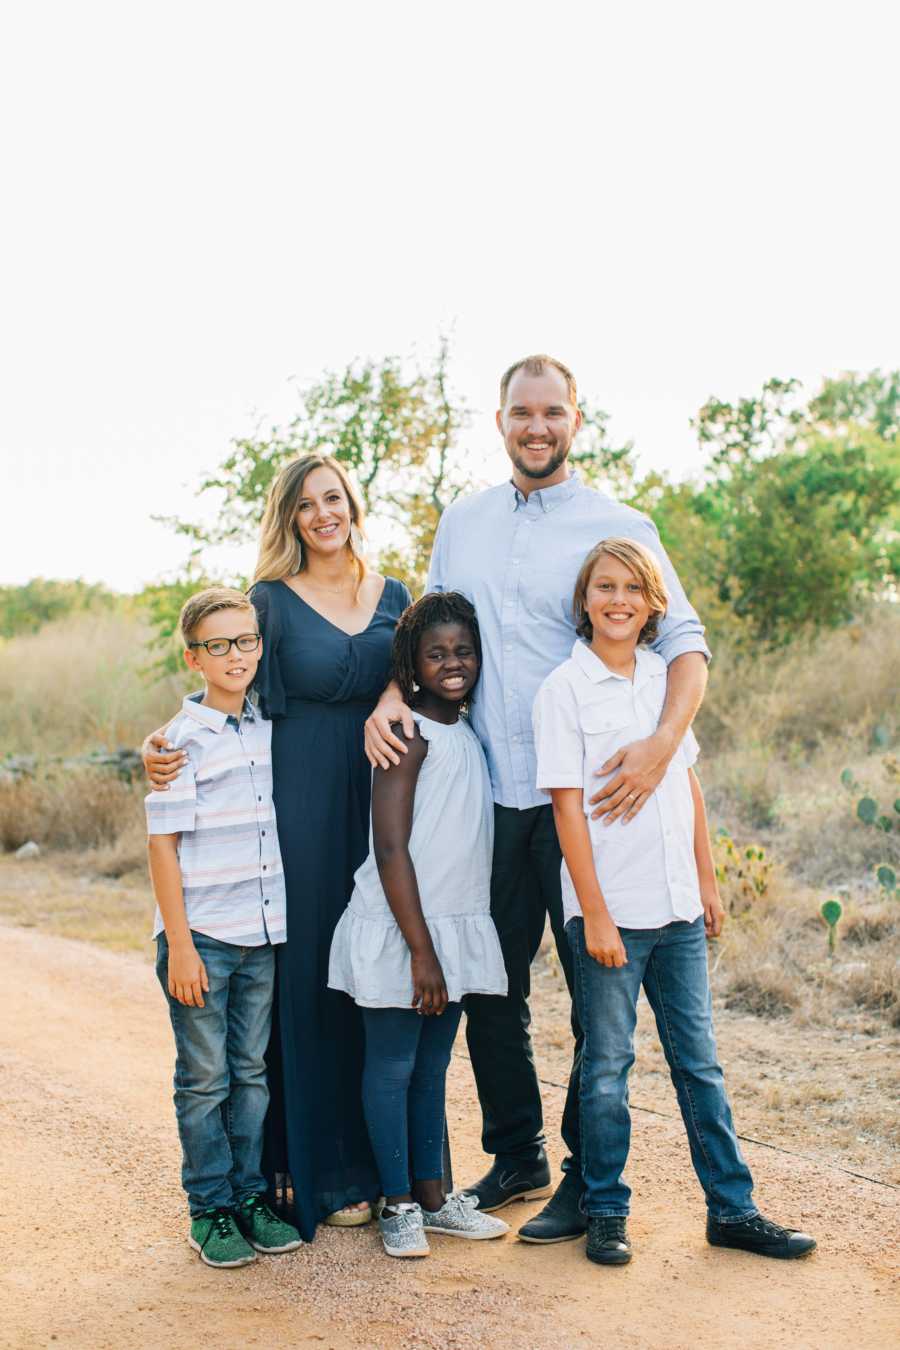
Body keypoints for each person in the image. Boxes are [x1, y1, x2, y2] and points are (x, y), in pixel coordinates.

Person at [365, 355, 710, 1243]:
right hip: (484, 794)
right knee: (490, 983)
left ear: (576, 421)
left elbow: (686, 642)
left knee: (598, 991)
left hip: (588, 807)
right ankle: (517, 1152)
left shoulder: (617, 524)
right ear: (502, 420)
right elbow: (429, 621)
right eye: (523, 412)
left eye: (553, 412)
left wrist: (664, 743)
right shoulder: (464, 521)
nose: (537, 427)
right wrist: (390, 693)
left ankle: (584, 1179)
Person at [143, 456, 412, 1242]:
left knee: (376, 975)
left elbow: (415, 677)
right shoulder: (269, 600)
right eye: (305, 505)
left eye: (333, 498)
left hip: (381, 800)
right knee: (304, 986)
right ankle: (296, 1176)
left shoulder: (394, 593)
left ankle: (381, 1169)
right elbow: (225, 687)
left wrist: (391, 698)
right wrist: (159, 749)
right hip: (293, 808)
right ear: (288, 520)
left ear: (353, 503)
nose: (323, 514)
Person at [532, 538, 816, 1264]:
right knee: (606, 1067)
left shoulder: (663, 678)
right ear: (585, 601)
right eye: (604, 587)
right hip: (612, 914)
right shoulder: (563, 690)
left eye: (632, 587)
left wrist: (708, 878)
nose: (618, 599)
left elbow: (684, 783)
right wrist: (591, 912)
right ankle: (604, 1210)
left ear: (653, 602)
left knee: (700, 1064)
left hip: (677, 908)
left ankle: (733, 1209)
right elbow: (567, 812)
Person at [329, 592, 510, 1257]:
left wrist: (442, 946)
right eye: (435, 654)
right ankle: (397, 1202)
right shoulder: (405, 733)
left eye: (463, 651)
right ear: (410, 663)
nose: (452, 663)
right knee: (393, 1064)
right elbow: (391, 847)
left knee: (432, 1067)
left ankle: (434, 1198)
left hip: (452, 926)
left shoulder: (466, 732)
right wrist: (421, 951)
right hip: (405, 932)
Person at [146, 586, 303, 1268]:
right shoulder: (178, 742)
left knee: (250, 1075)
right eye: (218, 645)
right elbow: (162, 844)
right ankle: (208, 1206)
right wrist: (179, 945)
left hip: (263, 936)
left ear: (259, 646)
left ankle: (247, 1197)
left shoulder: (272, 727)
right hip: (203, 938)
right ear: (194, 658)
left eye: (245, 641)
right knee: (204, 1079)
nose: (235, 654)